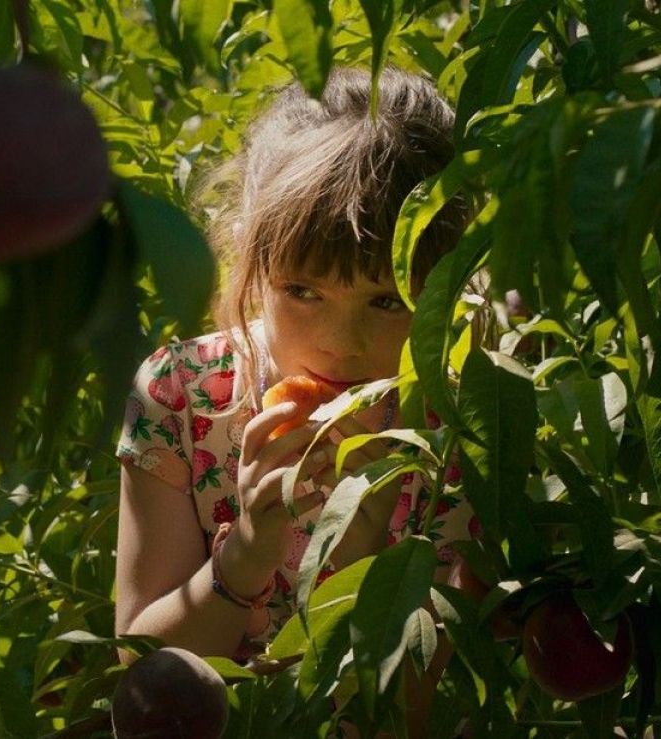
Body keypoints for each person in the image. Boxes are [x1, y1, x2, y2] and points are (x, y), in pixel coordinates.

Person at [113, 65, 478, 711]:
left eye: (388, 301)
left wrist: (363, 545)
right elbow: (144, 676)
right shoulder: (185, 395)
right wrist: (248, 552)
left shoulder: (461, 427)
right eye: (303, 292)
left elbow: (413, 711)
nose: (342, 341)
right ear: (251, 262)